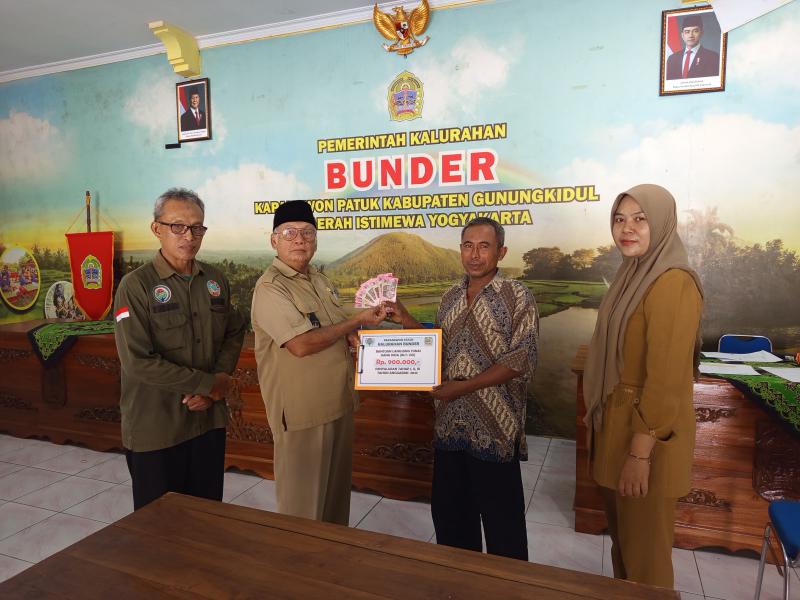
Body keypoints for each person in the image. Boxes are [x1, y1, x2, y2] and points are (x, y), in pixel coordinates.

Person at [388, 217, 539, 560]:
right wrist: (405, 317)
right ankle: (459, 581)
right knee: (452, 521)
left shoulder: (518, 296)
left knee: (504, 528)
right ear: (460, 250)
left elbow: (522, 357)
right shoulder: (450, 296)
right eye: (468, 246)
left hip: (495, 431)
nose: (475, 254)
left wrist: (463, 387)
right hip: (450, 428)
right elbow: (436, 347)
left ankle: (505, 584)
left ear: (501, 252)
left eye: (484, 246)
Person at [583, 184, 703, 588]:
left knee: (646, 564)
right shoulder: (631, 274)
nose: (627, 228)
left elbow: (666, 380)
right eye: (619, 219)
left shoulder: (673, 283)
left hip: (645, 440)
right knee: (626, 551)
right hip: (619, 430)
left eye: (640, 219)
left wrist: (639, 454)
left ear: (663, 223)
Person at [250, 200, 388, 525]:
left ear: (315, 239)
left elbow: (333, 327)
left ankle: (332, 557)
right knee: (302, 515)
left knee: (334, 508)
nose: (300, 240)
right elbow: (301, 344)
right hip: (304, 415)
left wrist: (352, 333)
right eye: (290, 233)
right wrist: (356, 322)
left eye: (308, 233)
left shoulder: (319, 280)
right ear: (274, 240)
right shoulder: (270, 288)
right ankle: (301, 562)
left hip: (338, 404)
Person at [113, 187, 246, 510]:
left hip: (207, 422)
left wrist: (217, 381)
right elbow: (137, 361)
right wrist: (207, 384)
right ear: (156, 228)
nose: (189, 236)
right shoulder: (136, 286)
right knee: (159, 523)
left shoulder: (214, 280)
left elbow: (234, 329)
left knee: (206, 515)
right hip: (157, 427)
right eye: (178, 226)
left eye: (197, 227)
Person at [666, 14, 720, 80]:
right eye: (687, 32)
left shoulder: (712, 57)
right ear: (682, 35)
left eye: (695, 31)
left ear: (701, 33)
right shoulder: (672, 59)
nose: (691, 35)